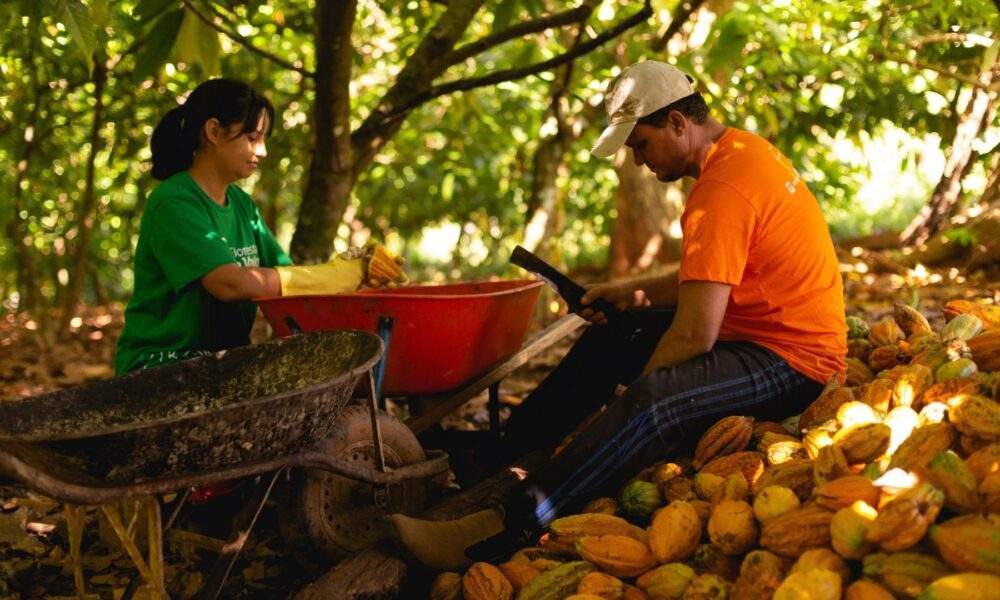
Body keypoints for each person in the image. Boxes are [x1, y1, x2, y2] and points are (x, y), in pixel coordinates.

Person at [391, 60, 847, 569]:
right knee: (614, 337)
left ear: (678, 123)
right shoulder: (742, 151)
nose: (636, 162)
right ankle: (505, 458)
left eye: (640, 145)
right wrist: (629, 293)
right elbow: (712, 271)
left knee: (656, 401)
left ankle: (505, 527)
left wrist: (627, 400)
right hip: (759, 332)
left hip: (794, 359)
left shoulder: (720, 190)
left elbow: (695, 334)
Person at [115, 78, 401, 376]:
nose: (262, 151)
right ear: (213, 131)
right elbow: (230, 283)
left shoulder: (241, 204)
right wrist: (331, 276)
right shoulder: (174, 202)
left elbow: (285, 277)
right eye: (252, 137)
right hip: (162, 363)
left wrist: (357, 270)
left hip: (222, 361)